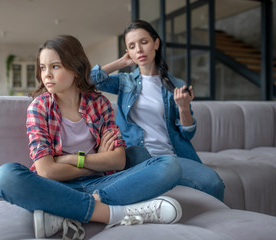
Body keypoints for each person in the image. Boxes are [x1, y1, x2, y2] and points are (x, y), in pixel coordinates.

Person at [0, 35, 183, 240]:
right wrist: (97, 160)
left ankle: (67, 211)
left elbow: (118, 161)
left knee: (168, 165)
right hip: (57, 188)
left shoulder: (99, 104)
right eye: (43, 67)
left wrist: (73, 158)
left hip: (103, 183)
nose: (47, 75)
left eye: (55, 66)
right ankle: (114, 213)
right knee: (5, 176)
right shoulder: (39, 107)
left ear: (75, 68)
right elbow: (47, 171)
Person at [90, 20, 225, 201]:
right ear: (128, 51)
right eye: (132, 46)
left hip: (171, 157)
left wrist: (184, 107)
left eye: (144, 42)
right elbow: (89, 81)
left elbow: (188, 134)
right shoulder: (125, 82)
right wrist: (121, 62)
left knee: (213, 182)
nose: (139, 49)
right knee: (136, 154)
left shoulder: (176, 85)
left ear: (156, 43)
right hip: (137, 156)